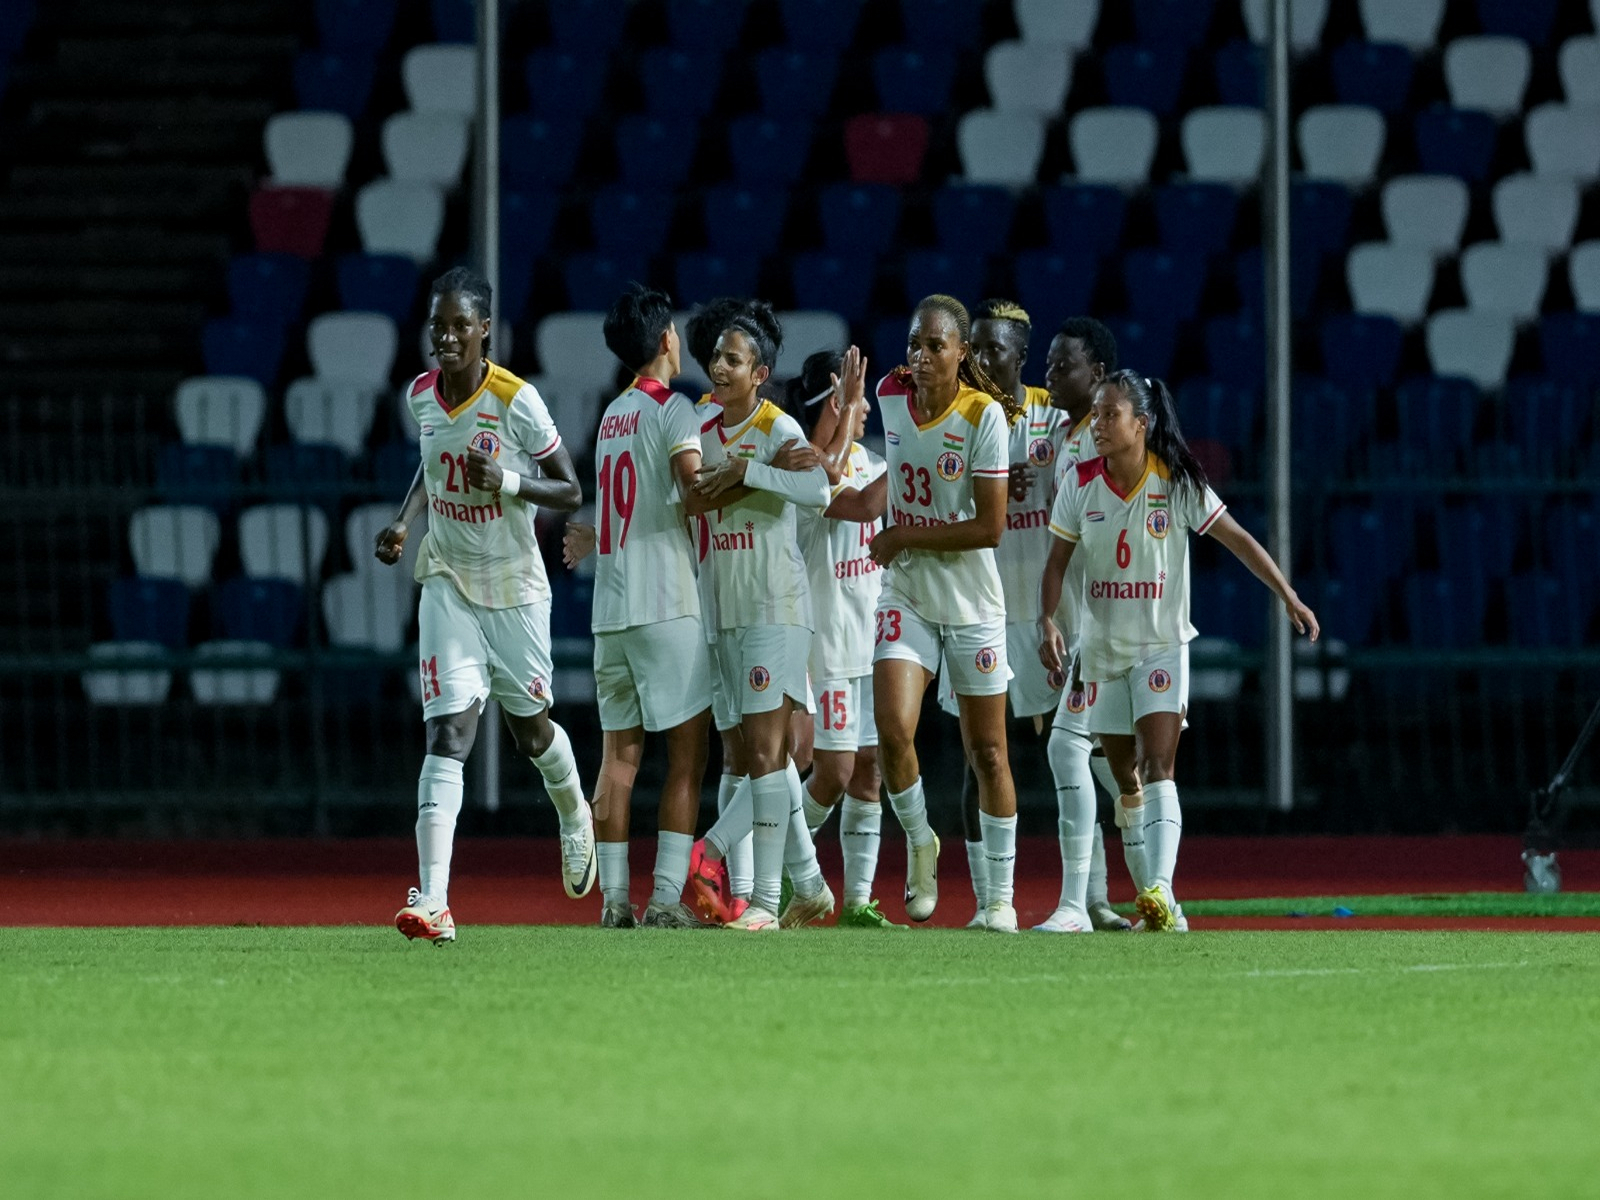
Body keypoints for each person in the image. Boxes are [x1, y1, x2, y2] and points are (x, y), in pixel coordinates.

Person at [1039, 370, 1319, 931]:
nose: (1097, 423)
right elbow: (1055, 563)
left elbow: (1236, 536)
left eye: (1110, 414)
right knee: (1124, 780)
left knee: (1157, 763)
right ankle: (1164, 909)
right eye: (1095, 413)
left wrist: (1286, 593)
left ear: (1141, 424)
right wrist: (1047, 619)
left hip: (1161, 648)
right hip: (1101, 652)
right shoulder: (1079, 481)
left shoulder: (1178, 481)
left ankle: (1162, 888)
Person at [377, 267, 592, 944]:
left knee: (532, 733)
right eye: (436, 325)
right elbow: (429, 462)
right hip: (446, 579)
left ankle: (573, 809)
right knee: (450, 733)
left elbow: (570, 491)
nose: (444, 336)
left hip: (514, 589)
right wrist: (408, 520)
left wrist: (504, 478)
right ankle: (433, 899)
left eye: (457, 325)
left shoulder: (515, 400)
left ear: (484, 330)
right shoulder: (420, 396)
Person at [562, 283, 716, 929]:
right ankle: (663, 899)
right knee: (686, 757)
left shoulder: (611, 415)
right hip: (666, 602)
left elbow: (625, 506)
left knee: (619, 757)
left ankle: (615, 902)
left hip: (612, 607)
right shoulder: (674, 411)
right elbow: (692, 489)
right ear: (663, 340)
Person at [871, 294, 1023, 931]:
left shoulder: (983, 415)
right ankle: (920, 840)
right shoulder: (888, 393)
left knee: (987, 753)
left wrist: (904, 534)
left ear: (962, 352)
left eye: (936, 345)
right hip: (907, 593)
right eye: (914, 343)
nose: (921, 355)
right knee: (893, 730)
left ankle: (998, 901)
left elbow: (990, 527)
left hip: (969, 601)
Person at [685, 305, 837, 930]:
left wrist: (751, 471)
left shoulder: (779, 429)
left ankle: (762, 899)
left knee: (770, 755)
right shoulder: (699, 423)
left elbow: (821, 492)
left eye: (733, 360)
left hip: (776, 606)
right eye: (717, 356)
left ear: (761, 374)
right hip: (722, 608)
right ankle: (797, 887)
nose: (719, 367)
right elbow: (687, 495)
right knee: (742, 757)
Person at [934, 300, 1070, 929]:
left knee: (1079, 753)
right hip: (979, 608)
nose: (983, 361)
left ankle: (1088, 896)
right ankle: (990, 900)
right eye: (976, 349)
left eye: (996, 350)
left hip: (1049, 615)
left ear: (1021, 355)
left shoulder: (1056, 417)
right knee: (980, 757)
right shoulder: (956, 413)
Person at [790, 347, 904, 929]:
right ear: (832, 400)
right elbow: (860, 507)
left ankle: (858, 900)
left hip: (871, 642)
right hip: (827, 644)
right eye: (852, 398)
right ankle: (786, 868)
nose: (864, 411)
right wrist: (918, 457)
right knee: (830, 771)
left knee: (869, 771)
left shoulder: (871, 459)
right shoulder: (808, 464)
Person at [1032, 316, 1133, 933]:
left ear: (1096, 374)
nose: (1049, 375)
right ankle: (1101, 896)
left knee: (1085, 755)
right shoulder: (1072, 434)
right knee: (1096, 757)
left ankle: (1093, 899)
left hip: (1103, 626)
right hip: (1073, 621)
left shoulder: (1104, 440)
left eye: (1061, 365)